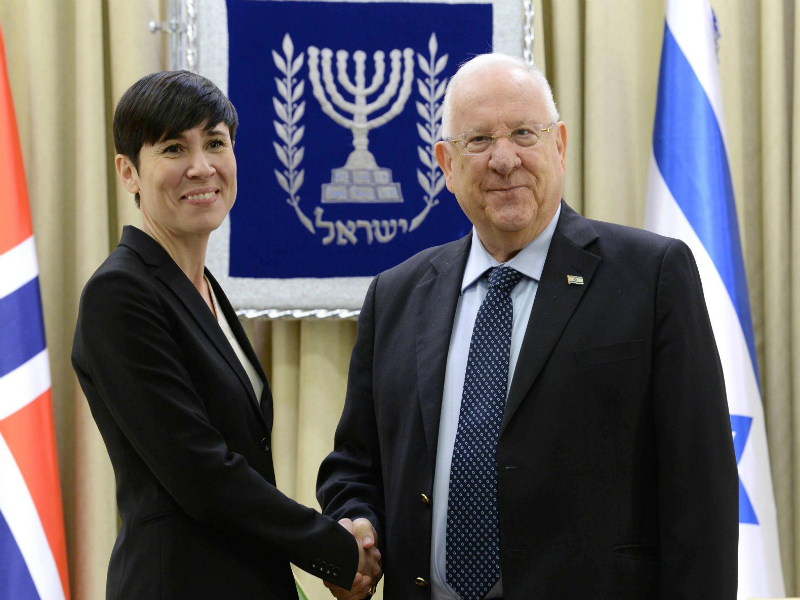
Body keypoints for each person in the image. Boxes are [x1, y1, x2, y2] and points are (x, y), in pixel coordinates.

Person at [317, 53, 738, 599]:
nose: (504, 159)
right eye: (478, 141)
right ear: (446, 163)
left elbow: (700, 492)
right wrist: (357, 523)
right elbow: (355, 464)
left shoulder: (650, 275)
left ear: (559, 145)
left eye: (523, 133)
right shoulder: (396, 295)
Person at [72, 70, 380, 600]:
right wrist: (330, 547)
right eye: (173, 148)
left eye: (215, 142)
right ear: (129, 172)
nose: (201, 166)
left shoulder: (201, 287)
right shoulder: (120, 293)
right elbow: (201, 473)